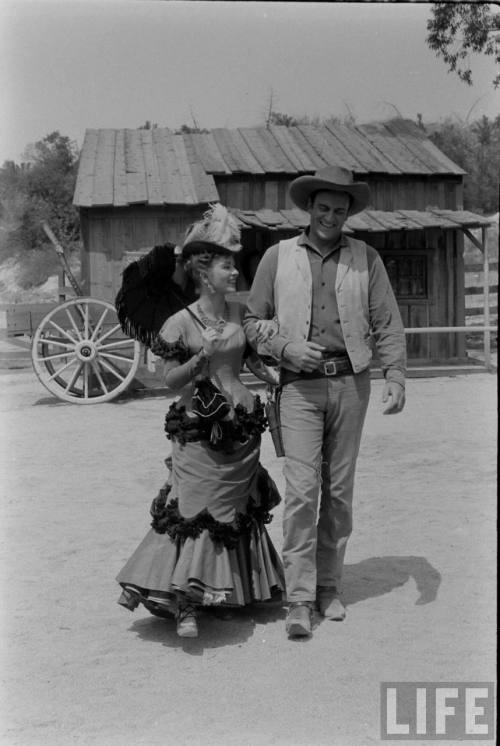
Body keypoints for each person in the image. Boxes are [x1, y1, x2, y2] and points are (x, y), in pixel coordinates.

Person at [243, 166, 406, 639]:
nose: (330, 217)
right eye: (323, 208)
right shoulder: (277, 257)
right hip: (298, 388)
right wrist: (285, 349)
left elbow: (387, 321)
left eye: (339, 210)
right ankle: (298, 599)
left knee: (338, 492)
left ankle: (329, 587)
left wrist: (395, 374)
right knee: (301, 492)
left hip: (351, 385)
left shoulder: (366, 258)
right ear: (309, 208)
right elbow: (253, 322)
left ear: (348, 212)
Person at [116, 209, 285, 639]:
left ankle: (227, 594)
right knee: (193, 511)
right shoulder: (179, 322)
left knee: (234, 512)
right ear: (205, 273)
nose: (235, 271)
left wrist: (277, 376)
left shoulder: (239, 314)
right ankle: (185, 603)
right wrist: (201, 357)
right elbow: (168, 380)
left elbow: (251, 361)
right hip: (198, 427)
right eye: (228, 265)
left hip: (242, 426)